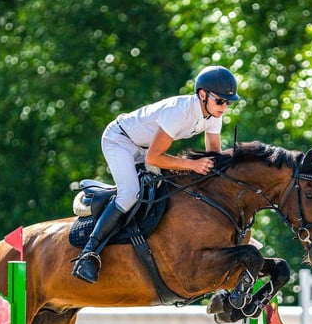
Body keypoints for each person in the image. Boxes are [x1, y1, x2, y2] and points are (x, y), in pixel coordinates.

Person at [71, 65, 241, 283]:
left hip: (144, 147)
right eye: (220, 101)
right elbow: (153, 158)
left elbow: (214, 154)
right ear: (202, 94)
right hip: (119, 140)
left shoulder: (213, 114)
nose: (224, 107)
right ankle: (87, 255)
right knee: (130, 193)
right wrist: (193, 165)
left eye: (228, 102)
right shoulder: (178, 112)